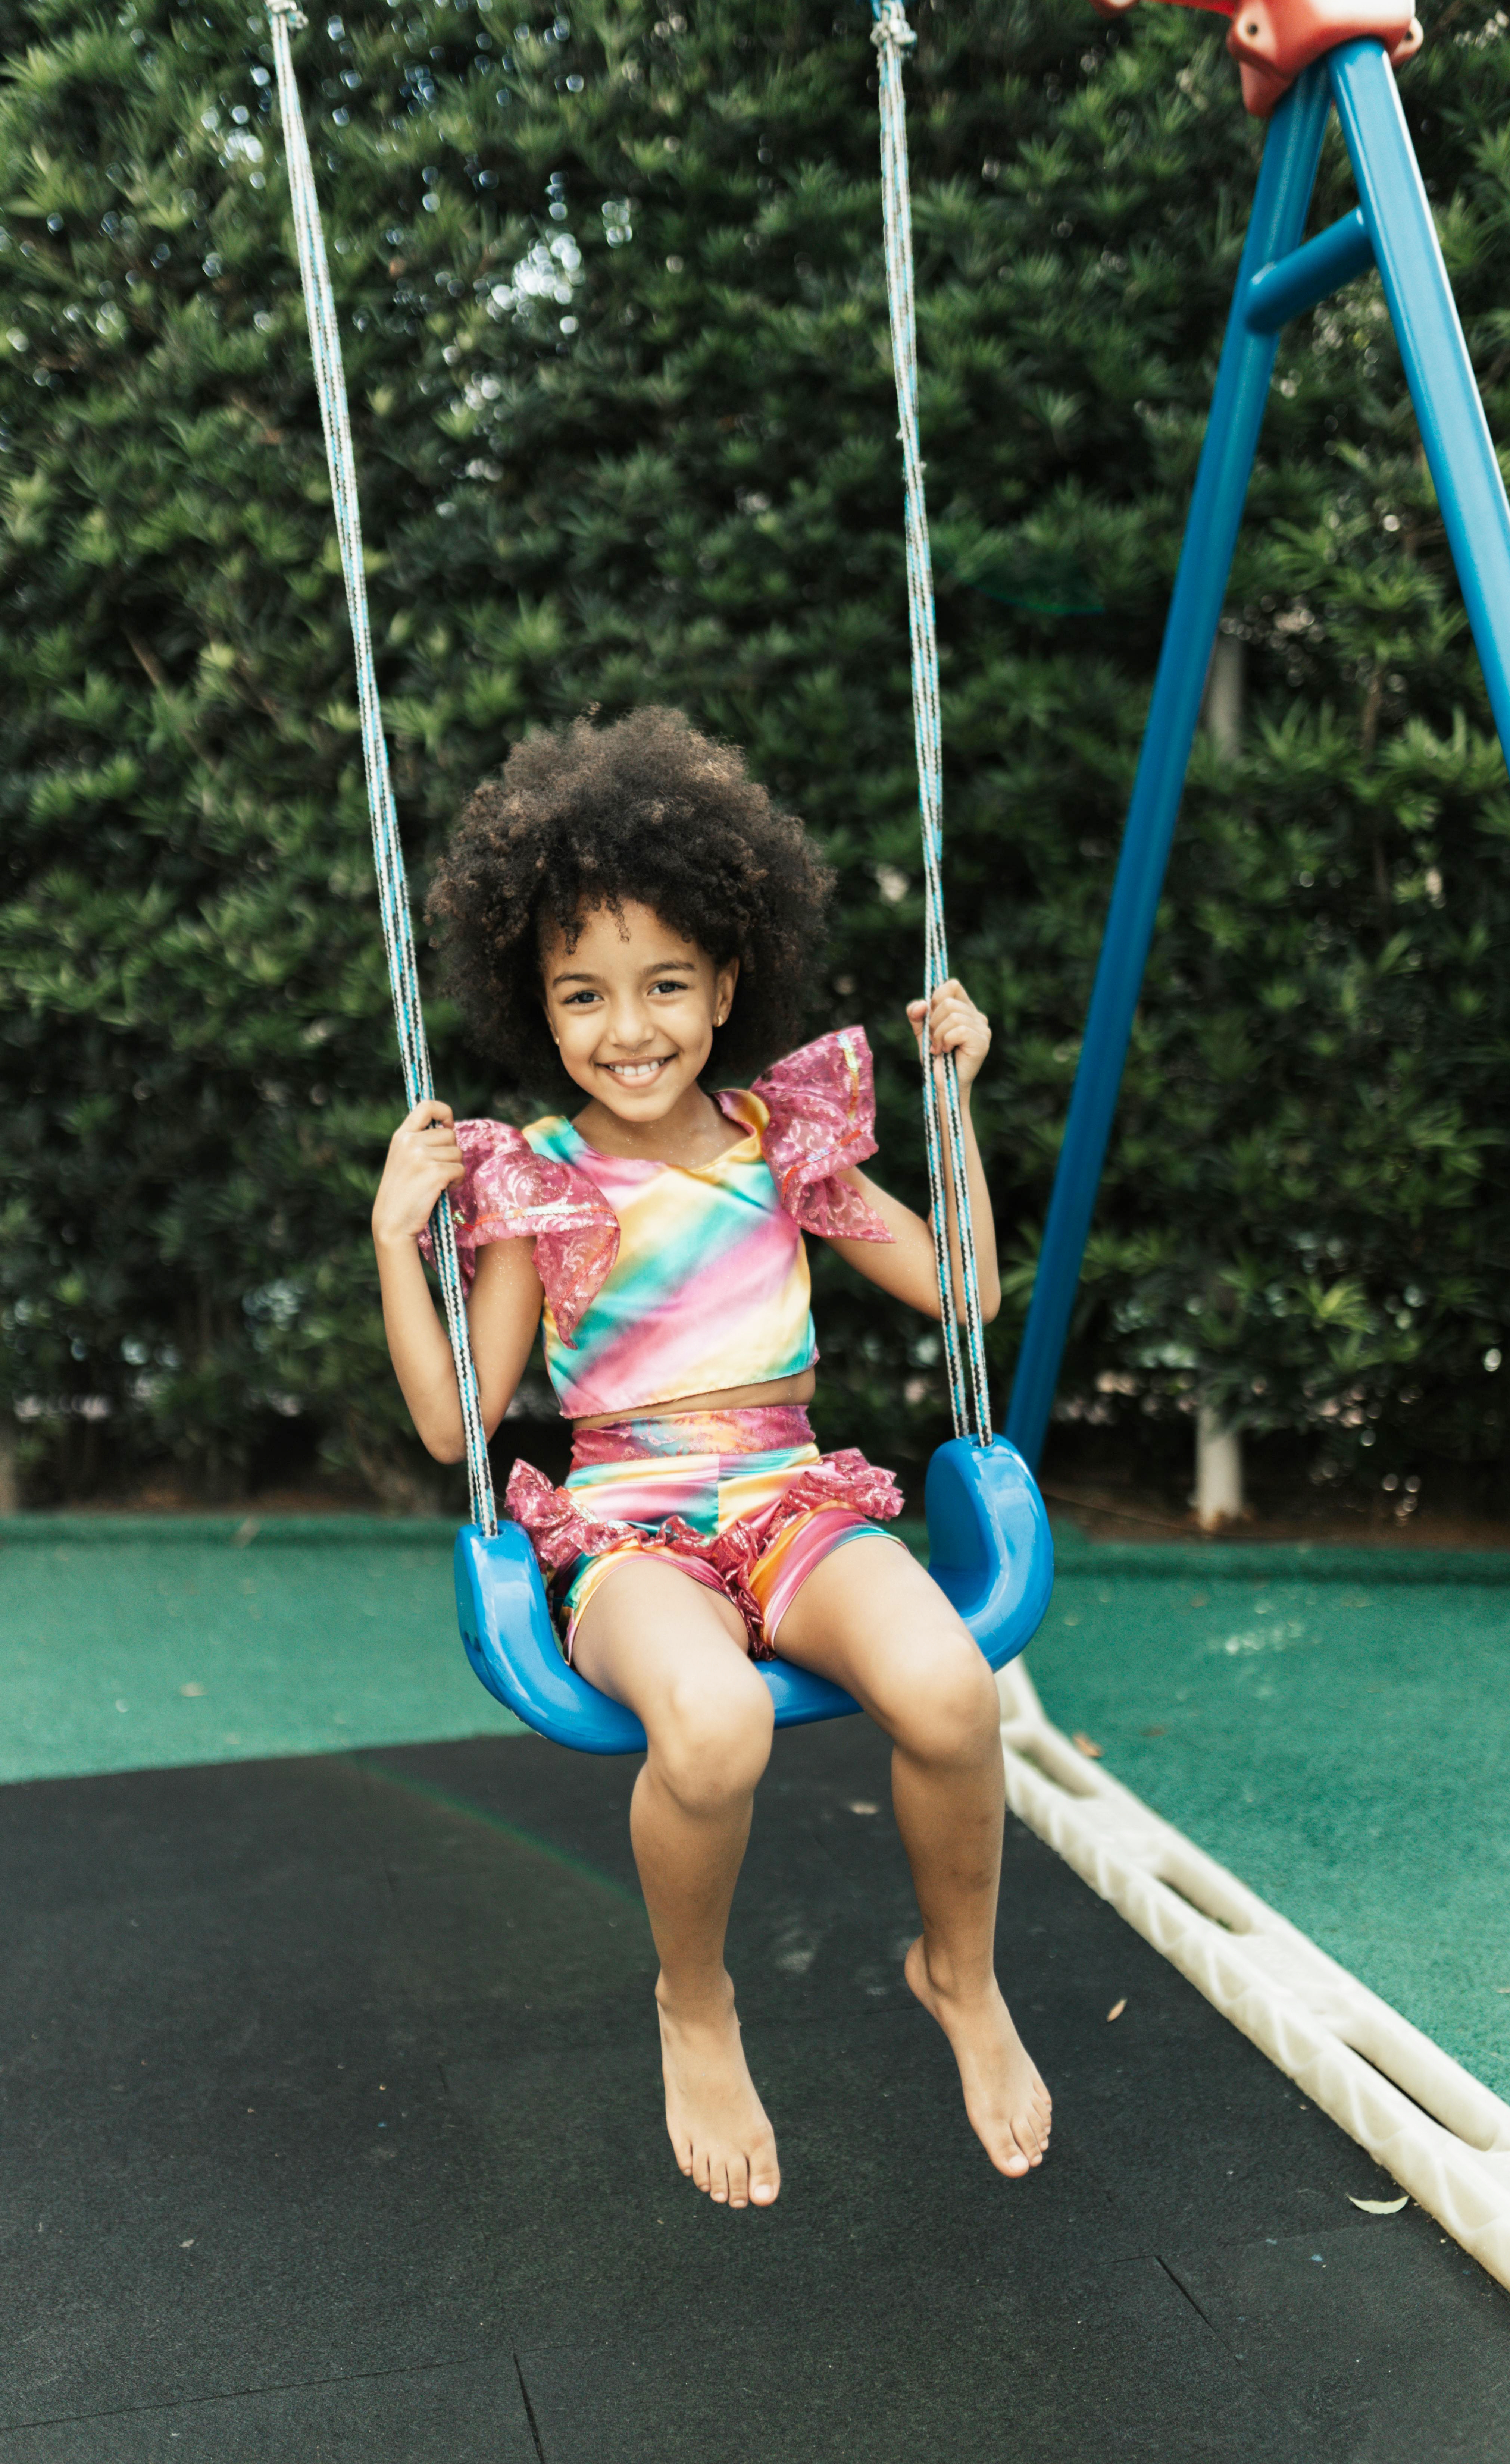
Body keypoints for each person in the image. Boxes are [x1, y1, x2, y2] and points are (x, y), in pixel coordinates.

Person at [371, 708, 1051, 2212]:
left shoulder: (782, 1140)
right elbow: (454, 1430)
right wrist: (388, 1242)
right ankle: (695, 2000)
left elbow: (964, 1296)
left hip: (789, 1496)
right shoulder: (535, 1187)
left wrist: (947, 1107)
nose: (630, 1029)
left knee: (947, 1686)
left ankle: (959, 1971)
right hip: (628, 1534)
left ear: (726, 981)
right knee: (717, 1723)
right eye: (585, 995)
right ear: (538, 1009)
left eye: (665, 985)